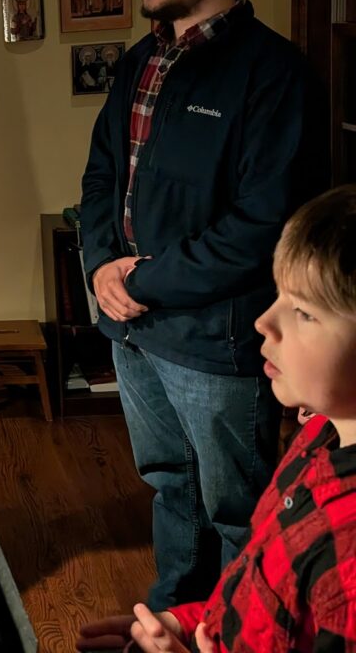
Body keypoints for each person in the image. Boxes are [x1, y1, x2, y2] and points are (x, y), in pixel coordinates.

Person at [79, 0, 323, 608]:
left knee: (236, 509)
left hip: (215, 336)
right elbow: (99, 177)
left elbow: (265, 223)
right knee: (169, 486)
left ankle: (243, 630)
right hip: (131, 328)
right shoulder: (138, 62)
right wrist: (99, 268)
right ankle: (177, 616)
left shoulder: (274, 72)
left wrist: (140, 282)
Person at [77, 186, 356, 652]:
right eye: (279, 296)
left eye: (303, 312)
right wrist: (185, 622)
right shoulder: (318, 436)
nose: (264, 321)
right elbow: (254, 593)